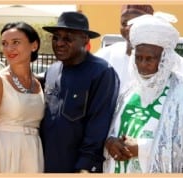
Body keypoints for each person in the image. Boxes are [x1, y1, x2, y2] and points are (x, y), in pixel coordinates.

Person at [103, 13, 183, 173]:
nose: (143, 65)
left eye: (150, 59)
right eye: (138, 58)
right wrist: (110, 142)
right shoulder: (129, 91)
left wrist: (141, 148)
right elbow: (113, 130)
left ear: (165, 58)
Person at [40, 11, 120, 173]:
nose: (59, 43)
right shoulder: (52, 71)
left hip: (78, 166)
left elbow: (99, 124)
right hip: (45, 163)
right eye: (56, 37)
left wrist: (85, 166)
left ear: (85, 39)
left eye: (67, 38)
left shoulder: (101, 72)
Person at [0, 22, 44, 173]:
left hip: (33, 154)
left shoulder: (38, 84)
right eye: (4, 44)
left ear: (34, 45)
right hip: (3, 153)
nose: (9, 49)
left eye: (16, 42)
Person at [95, 5, 183, 91]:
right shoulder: (104, 56)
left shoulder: (180, 66)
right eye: (124, 23)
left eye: (136, 22)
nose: (129, 28)